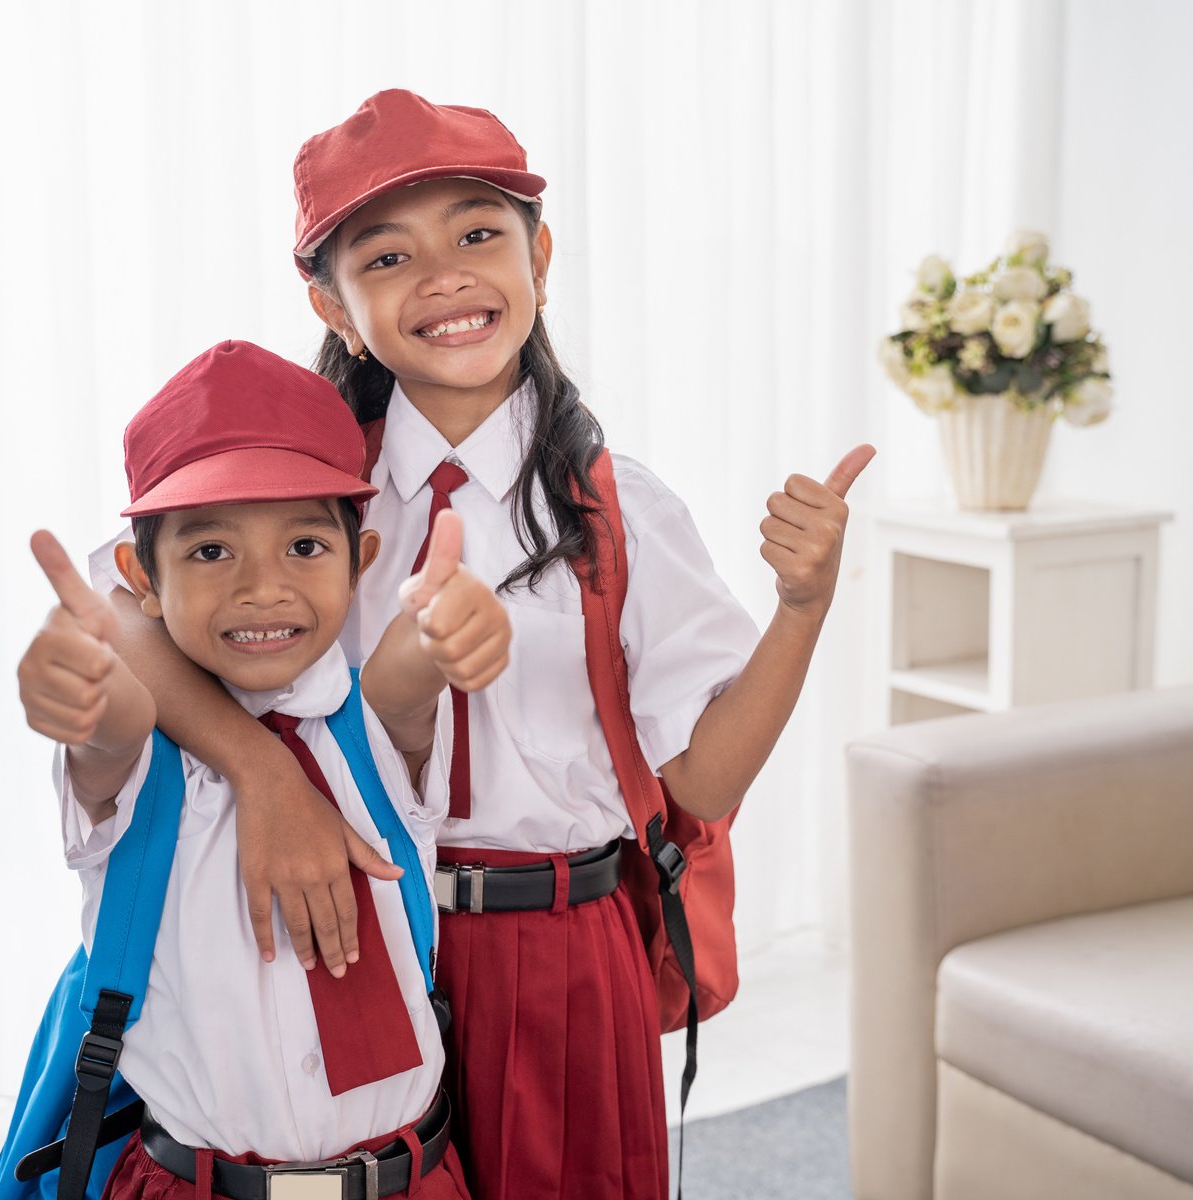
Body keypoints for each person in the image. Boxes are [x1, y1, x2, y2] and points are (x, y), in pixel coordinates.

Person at [98, 92, 875, 1200]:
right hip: (357, 933)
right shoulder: (303, 495)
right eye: (388, 255)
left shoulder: (621, 508)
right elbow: (118, 611)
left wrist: (802, 607)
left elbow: (703, 776)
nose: (446, 276)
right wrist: (261, 770)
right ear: (332, 302)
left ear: (539, 257)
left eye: (477, 234)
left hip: (557, 948)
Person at [16, 339, 510, 1197]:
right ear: (140, 575)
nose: (262, 588)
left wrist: (453, 628)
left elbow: (409, 669)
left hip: (415, 1178)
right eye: (211, 552)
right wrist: (84, 697)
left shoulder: (372, 729)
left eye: (305, 548)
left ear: (361, 562)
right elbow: (112, 734)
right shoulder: (143, 765)